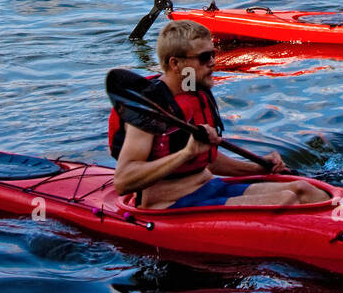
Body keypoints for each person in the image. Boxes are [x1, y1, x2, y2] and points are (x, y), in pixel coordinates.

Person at [110, 20, 328, 209]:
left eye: (213, 55)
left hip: (207, 186)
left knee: (302, 189)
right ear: (176, 63)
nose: (213, 63)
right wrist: (186, 153)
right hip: (168, 204)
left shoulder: (195, 94)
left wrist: (261, 166)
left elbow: (209, 161)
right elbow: (123, 181)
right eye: (204, 57)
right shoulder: (150, 108)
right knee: (286, 199)